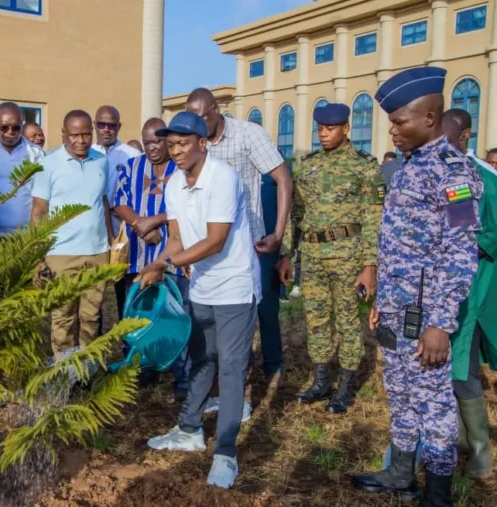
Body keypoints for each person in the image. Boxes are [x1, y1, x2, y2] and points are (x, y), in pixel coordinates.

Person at [352, 67, 483, 506]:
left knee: (435, 405)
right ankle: (400, 472)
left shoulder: (453, 172)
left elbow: (461, 252)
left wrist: (441, 323)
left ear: (429, 118)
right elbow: (399, 245)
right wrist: (383, 304)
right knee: (402, 395)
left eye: (399, 121)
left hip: (427, 318)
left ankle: (439, 491)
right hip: (397, 310)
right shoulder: (409, 167)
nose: (392, 130)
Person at [142, 112, 260, 489]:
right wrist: (158, 262)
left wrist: (168, 263)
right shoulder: (175, 184)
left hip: (235, 286)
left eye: (183, 144)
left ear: (202, 143)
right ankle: (190, 430)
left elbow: (215, 241)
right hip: (203, 286)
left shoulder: (222, 178)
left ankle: (225, 453)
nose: (174, 151)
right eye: (171, 144)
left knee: (230, 368)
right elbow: (176, 240)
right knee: (201, 359)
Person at [185, 87, 292, 416]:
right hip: (210, 248)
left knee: (245, 321)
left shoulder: (248, 135)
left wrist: (278, 233)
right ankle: (218, 393)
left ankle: (242, 395)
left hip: (248, 246)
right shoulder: (194, 142)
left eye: (203, 116)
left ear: (216, 109)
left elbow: (283, 178)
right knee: (213, 327)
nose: (198, 124)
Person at [277, 103, 383, 414]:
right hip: (312, 256)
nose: (323, 134)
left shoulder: (365, 167)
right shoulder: (308, 166)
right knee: (317, 320)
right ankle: (321, 381)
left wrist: (369, 265)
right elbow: (296, 214)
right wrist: (287, 254)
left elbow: (373, 218)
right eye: (320, 129)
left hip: (348, 255)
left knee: (348, 322)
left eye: (330, 128)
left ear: (346, 129)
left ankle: (346, 387)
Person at [113, 118, 190, 401]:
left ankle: (182, 377)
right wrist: (140, 225)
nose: (153, 148)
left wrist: (155, 221)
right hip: (136, 258)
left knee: (174, 314)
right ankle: (140, 368)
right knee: (135, 315)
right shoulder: (131, 167)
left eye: (158, 142)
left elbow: (186, 207)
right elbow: (118, 201)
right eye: (148, 142)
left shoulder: (181, 170)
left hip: (173, 259)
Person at [30, 110, 113, 358]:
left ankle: (87, 372)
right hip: (60, 254)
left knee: (91, 316)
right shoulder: (47, 165)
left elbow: (103, 203)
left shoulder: (101, 161)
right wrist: (37, 256)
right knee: (62, 317)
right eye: (75, 135)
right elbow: (38, 212)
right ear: (64, 135)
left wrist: (112, 242)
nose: (81, 140)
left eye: (86, 134)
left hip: (97, 253)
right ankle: (65, 373)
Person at [441, 108, 495, 478]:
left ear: (465, 137)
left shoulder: (477, 178)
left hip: (472, 288)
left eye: (446, 136)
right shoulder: (440, 172)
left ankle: (480, 451)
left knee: (462, 367)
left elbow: (470, 236)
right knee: (448, 366)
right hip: (444, 288)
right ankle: (460, 439)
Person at [91, 105, 141, 320]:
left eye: (111, 125)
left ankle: (125, 342)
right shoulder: (87, 153)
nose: (106, 129)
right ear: (95, 125)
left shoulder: (132, 155)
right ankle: (95, 346)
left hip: (122, 231)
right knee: (94, 295)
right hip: (93, 231)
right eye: (101, 124)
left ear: (118, 127)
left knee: (123, 291)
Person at [0, 102, 44, 237]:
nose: (10, 132)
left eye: (16, 128)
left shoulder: (36, 154)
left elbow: (41, 197)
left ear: (22, 126)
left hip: (24, 236)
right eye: (4, 128)